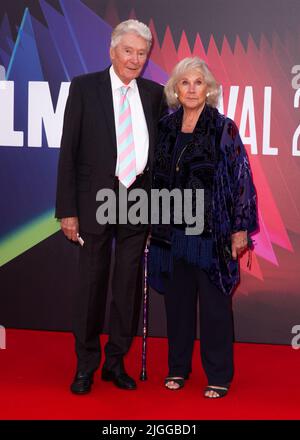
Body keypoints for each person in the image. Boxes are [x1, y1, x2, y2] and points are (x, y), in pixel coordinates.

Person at [55, 19, 166, 394]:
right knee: (91, 286)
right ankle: (86, 365)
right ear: (112, 50)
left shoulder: (154, 93)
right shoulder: (85, 88)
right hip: (93, 203)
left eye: (141, 53)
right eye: (128, 51)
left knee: (127, 288)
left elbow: (161, 155)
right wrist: (66, 210)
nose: (135, 59)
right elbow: (68, 152)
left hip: (137, 202)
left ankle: (115, 363)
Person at [149, 57, 258, 398]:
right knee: (178, 305)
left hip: (212, 234)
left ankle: (219, 375)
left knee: (214, 307)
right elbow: (153, 177)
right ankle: (178, 368)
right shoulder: (165, 127)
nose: (192, 89)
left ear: (208, 89)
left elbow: (241, 179)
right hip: (172, 233)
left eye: (198, 82)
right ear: (176, 89)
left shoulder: (223, 127)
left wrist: (240, 229)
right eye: (185, 83)